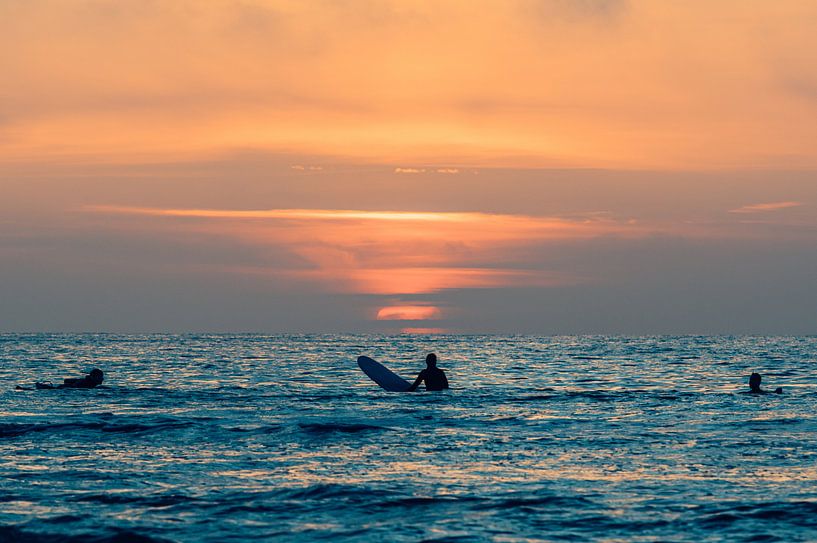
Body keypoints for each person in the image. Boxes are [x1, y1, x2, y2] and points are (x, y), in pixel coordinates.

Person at [16, 368, 105, 390]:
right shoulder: (88, 383)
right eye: (100, 377)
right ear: (93, 377)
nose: (102, 379)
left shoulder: (88, 382)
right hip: (63, 389)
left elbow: (66, 380)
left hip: (64, 387)